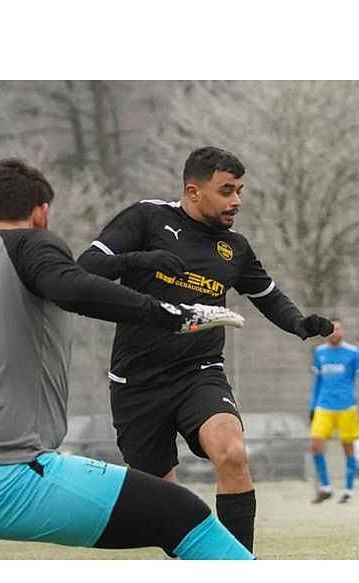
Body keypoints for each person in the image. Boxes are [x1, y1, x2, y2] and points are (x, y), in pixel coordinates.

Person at [0, 158, 252, 560]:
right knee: (182, 512)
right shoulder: (29, 241)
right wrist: (172, 314)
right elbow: (70, 287)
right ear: (41, 213)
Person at [76, 146, 333, 552]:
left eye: (240, 190)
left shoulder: (235, 249)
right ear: (193, 192)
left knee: (232, 452)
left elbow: (267, 296)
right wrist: (142, 261)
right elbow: (84, 267)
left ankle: (237, 564)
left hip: (199, 373)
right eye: (227, 190)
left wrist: (300, 324)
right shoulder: (147, 217)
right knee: (165, 508)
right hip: (136, 384)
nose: (237, 201)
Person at [308, 318, 359, 504]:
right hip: (324, 407)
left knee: (349, 449)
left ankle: (348, 491)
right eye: (331, 329)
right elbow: (317, 382)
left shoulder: (353, 353)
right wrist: (312, 407)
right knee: (315, 445)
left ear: (343, 331)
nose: (334, 332)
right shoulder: (319, 353)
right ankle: (326, 487)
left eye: (338, 328)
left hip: (347, 408)